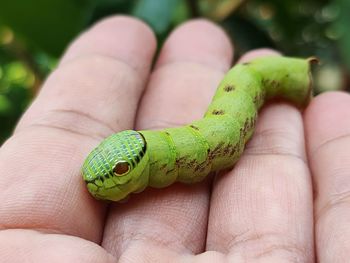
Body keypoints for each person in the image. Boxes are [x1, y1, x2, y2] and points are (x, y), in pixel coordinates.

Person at [0, 16, 348, 262]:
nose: (103, 181)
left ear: (133, 169)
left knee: (251, 79)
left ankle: (293, 76)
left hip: (250, 88)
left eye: (120, 169)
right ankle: (292, 76)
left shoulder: (207, 147)